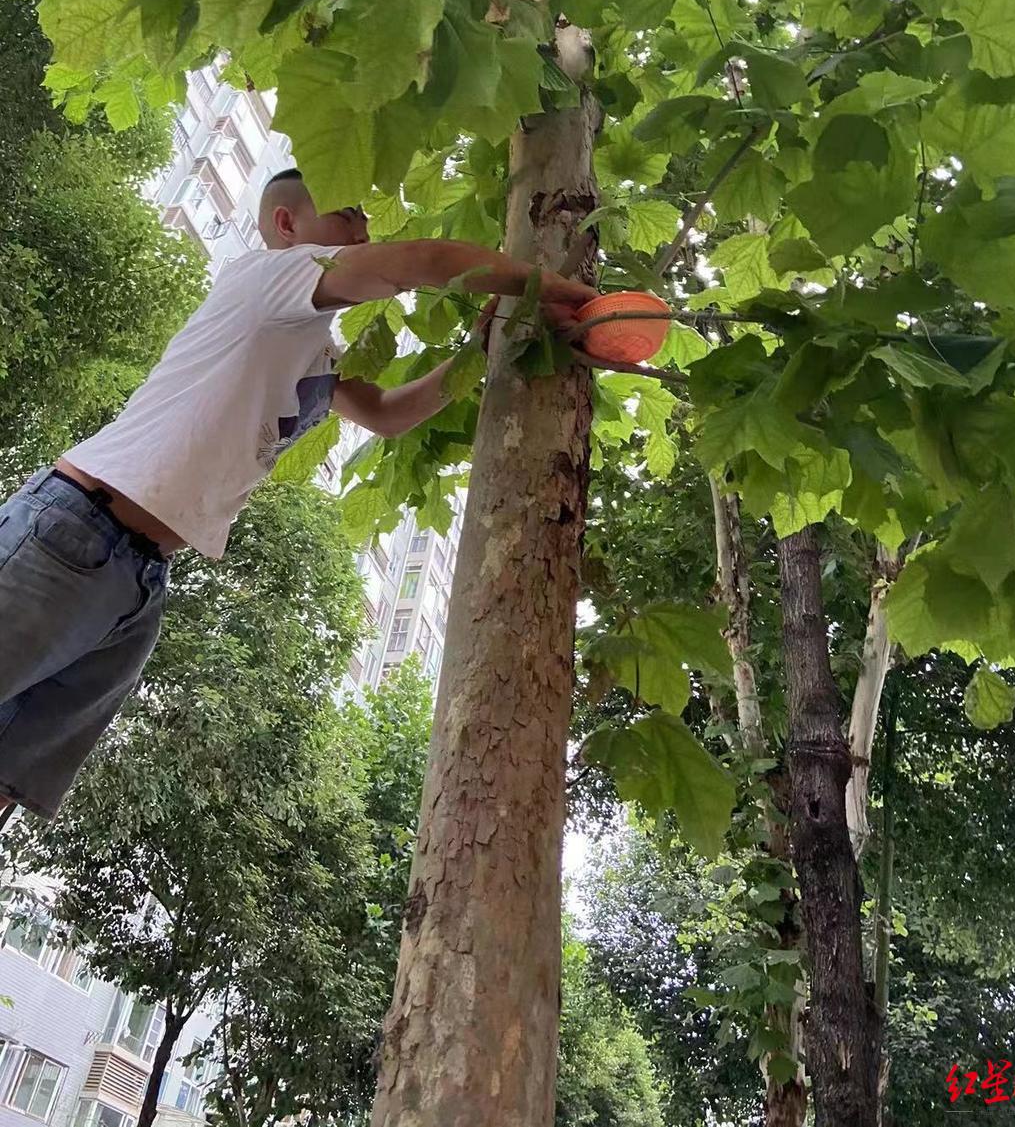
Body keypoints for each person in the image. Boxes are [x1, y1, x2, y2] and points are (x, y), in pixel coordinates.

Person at [0, 168, 597, 820]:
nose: (364, 232)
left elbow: (386, 413)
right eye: (348, 214)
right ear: (288, 224)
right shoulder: (271, 277)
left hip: (137, 579)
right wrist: (565, 292)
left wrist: (477, 350)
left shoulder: (312, 345)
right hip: (79, 529)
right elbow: (424, 261)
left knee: (13, 774)